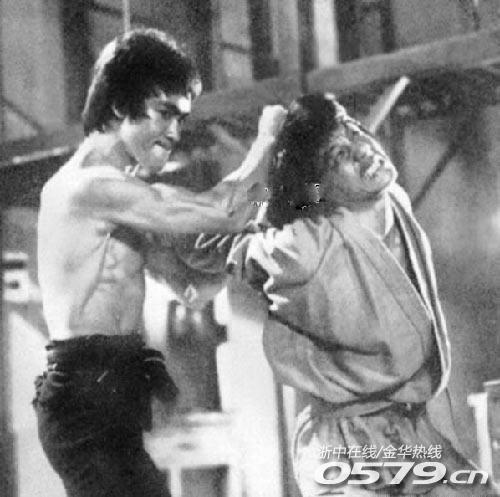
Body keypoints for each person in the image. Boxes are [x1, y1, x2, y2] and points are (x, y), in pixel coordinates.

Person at [163, 93, 499, 496]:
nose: (362, 150)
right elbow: (201, 240)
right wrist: (265, 149)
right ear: (321, 185)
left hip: (410, 433)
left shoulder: (393, 198)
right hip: (344, 446)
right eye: (340, 153)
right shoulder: (302, 247)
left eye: (354, 132)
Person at [33, 27, 283, 497]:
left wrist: (246, 249)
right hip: (84, 403)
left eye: (181, 118)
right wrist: (267, 138)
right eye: (164, 113)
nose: (174, 133)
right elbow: (225, 209)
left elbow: (193, 290)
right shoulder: (88, 187)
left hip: (112, 405)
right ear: (118, 106)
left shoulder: (125, 204)